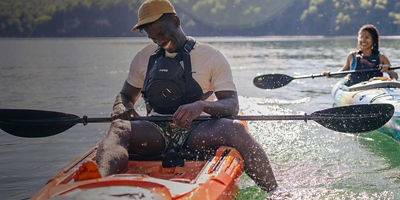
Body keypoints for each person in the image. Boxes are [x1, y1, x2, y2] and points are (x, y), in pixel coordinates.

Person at [74, 0, 277, 192]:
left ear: (176, 21)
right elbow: (126, 95)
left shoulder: (211, 56)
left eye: (162, 33)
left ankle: (274, 191)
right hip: (155, 130)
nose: (160, 41)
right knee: (119, 128)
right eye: (153, 37)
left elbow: (231, 105)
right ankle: (96, 181)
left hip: (198, 129)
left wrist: (200, 106)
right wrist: (121, 108)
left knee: (235, 129)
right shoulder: (143, 58)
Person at [323, 24, 397, 86]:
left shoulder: (381, 57)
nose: (363, 40)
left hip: (375, 89)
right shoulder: (352, 56)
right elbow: (343, 72)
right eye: (361, 37)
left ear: (373, 40)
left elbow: (395, 77)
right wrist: (330, 75)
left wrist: (389, 71)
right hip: (355, 89)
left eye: (367, 37)